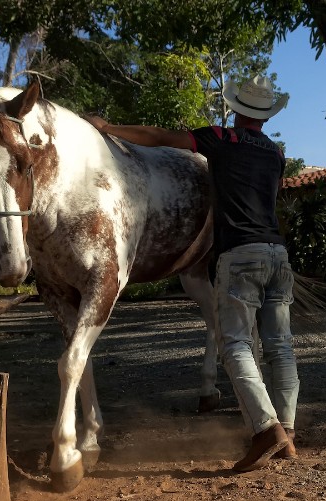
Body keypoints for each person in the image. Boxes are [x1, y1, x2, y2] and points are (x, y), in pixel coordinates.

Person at [86, 75, 299, 472]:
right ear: (267, 117)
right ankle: (287, 431)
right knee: (280, 346)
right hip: (278, 255)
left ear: (236, 110)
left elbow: (159, 137)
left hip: (240, 255)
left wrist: (108, 127)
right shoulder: (276, 153)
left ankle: (265, 429)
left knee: (235, 345)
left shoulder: (222, 138)